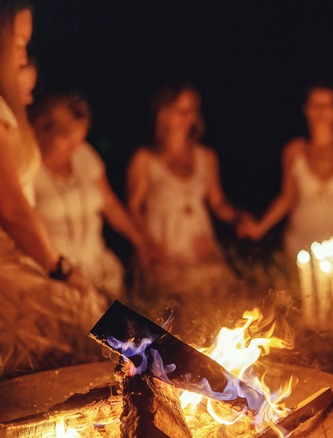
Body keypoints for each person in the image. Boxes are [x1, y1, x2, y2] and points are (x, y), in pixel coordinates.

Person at [0, 1, 107, 379]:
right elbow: (13, 211)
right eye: (18, 43)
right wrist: (60, 268)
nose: (24, 56)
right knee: (88, 324)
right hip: (8, 268)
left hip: (20, 261)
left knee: (95, 319)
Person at [126, 83, 244, 325]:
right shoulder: (146, 159)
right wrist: (148, 244)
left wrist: (237, 217)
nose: (187, 117)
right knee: (179, 310)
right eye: (181, 110)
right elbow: (134, 208)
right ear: (164, 114)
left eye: (192, 110)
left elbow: (217, 201)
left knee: (221, 301)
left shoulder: (205, 156)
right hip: (165, 248)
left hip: (200, 246)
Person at [238, 84, 333, 259]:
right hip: (302, 236)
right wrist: (260, 227)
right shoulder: (293, 150)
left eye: (327, 105)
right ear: (306, 109)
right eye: (315, 105)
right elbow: (287, 197)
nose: (321, 111)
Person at [32, 93, 157, 298]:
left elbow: (109, 204)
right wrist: (61, 270)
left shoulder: (84, 155)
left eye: (79, 138)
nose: (73, 146)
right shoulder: (30, 167)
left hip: (98, 268)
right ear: (44, 130)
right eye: (65, 138)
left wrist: (140, 241)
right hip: (58, 276)